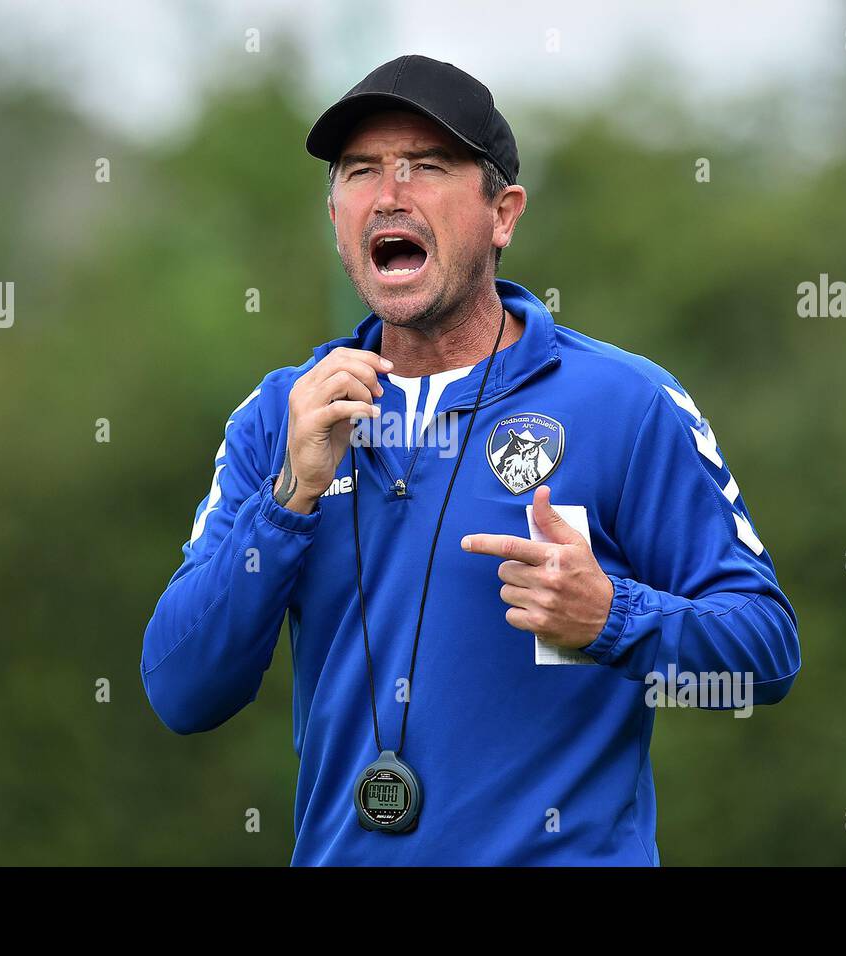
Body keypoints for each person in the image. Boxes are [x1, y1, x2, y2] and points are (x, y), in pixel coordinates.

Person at [141, 54, 801, 865]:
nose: (390, 194)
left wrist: (613, 619)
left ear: (504, 213)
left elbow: (765, 654)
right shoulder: (278, 419)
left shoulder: (625, 404)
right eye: (361, 171)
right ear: (337, 215)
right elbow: (180, 691)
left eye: (427, 166)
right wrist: (289, 498)